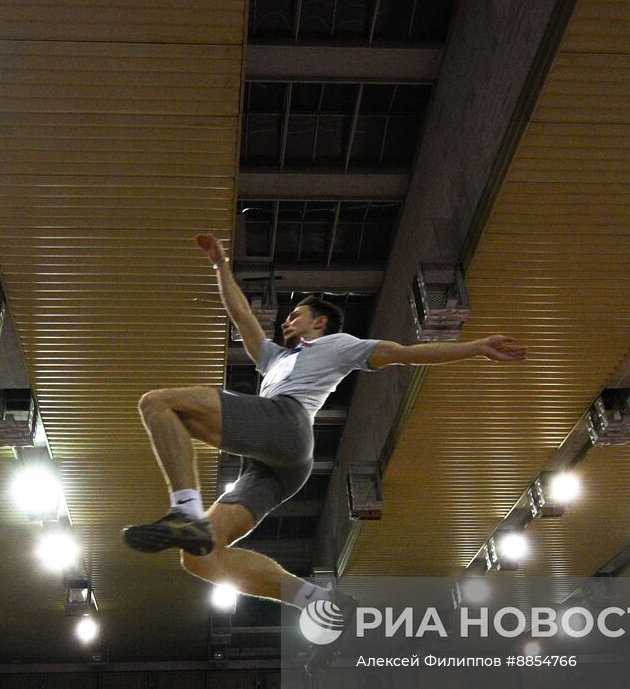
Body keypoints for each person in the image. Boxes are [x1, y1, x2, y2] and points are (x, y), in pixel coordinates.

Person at [123, 232, 527, 607]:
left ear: (320, 322)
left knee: (157, 403)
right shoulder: (276, 359)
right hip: (279, 468)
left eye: (296, 315)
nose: (286, 321)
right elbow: (242, 316)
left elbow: (405, 353)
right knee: (200, 558)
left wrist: (476, 346)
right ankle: (316, 601)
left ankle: (185, 512)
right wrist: (220, 266)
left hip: (287, 424)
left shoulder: (338, 345)